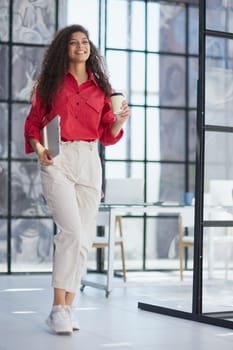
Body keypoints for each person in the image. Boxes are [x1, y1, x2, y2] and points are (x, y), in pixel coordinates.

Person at [24, 24, 130, 335]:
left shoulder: (102, 87)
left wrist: (120, 121)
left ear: (90, 49)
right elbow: (32, 125)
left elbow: (107, 136)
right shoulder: (49, 83)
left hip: (89, 159)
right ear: (64, 49)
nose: (80, 47)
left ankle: (68, 308)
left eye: (85, 42)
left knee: (83, 238)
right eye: (73, 43)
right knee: (70, 231)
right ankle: (58, 307)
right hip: (57, 157)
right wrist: (40, 149)